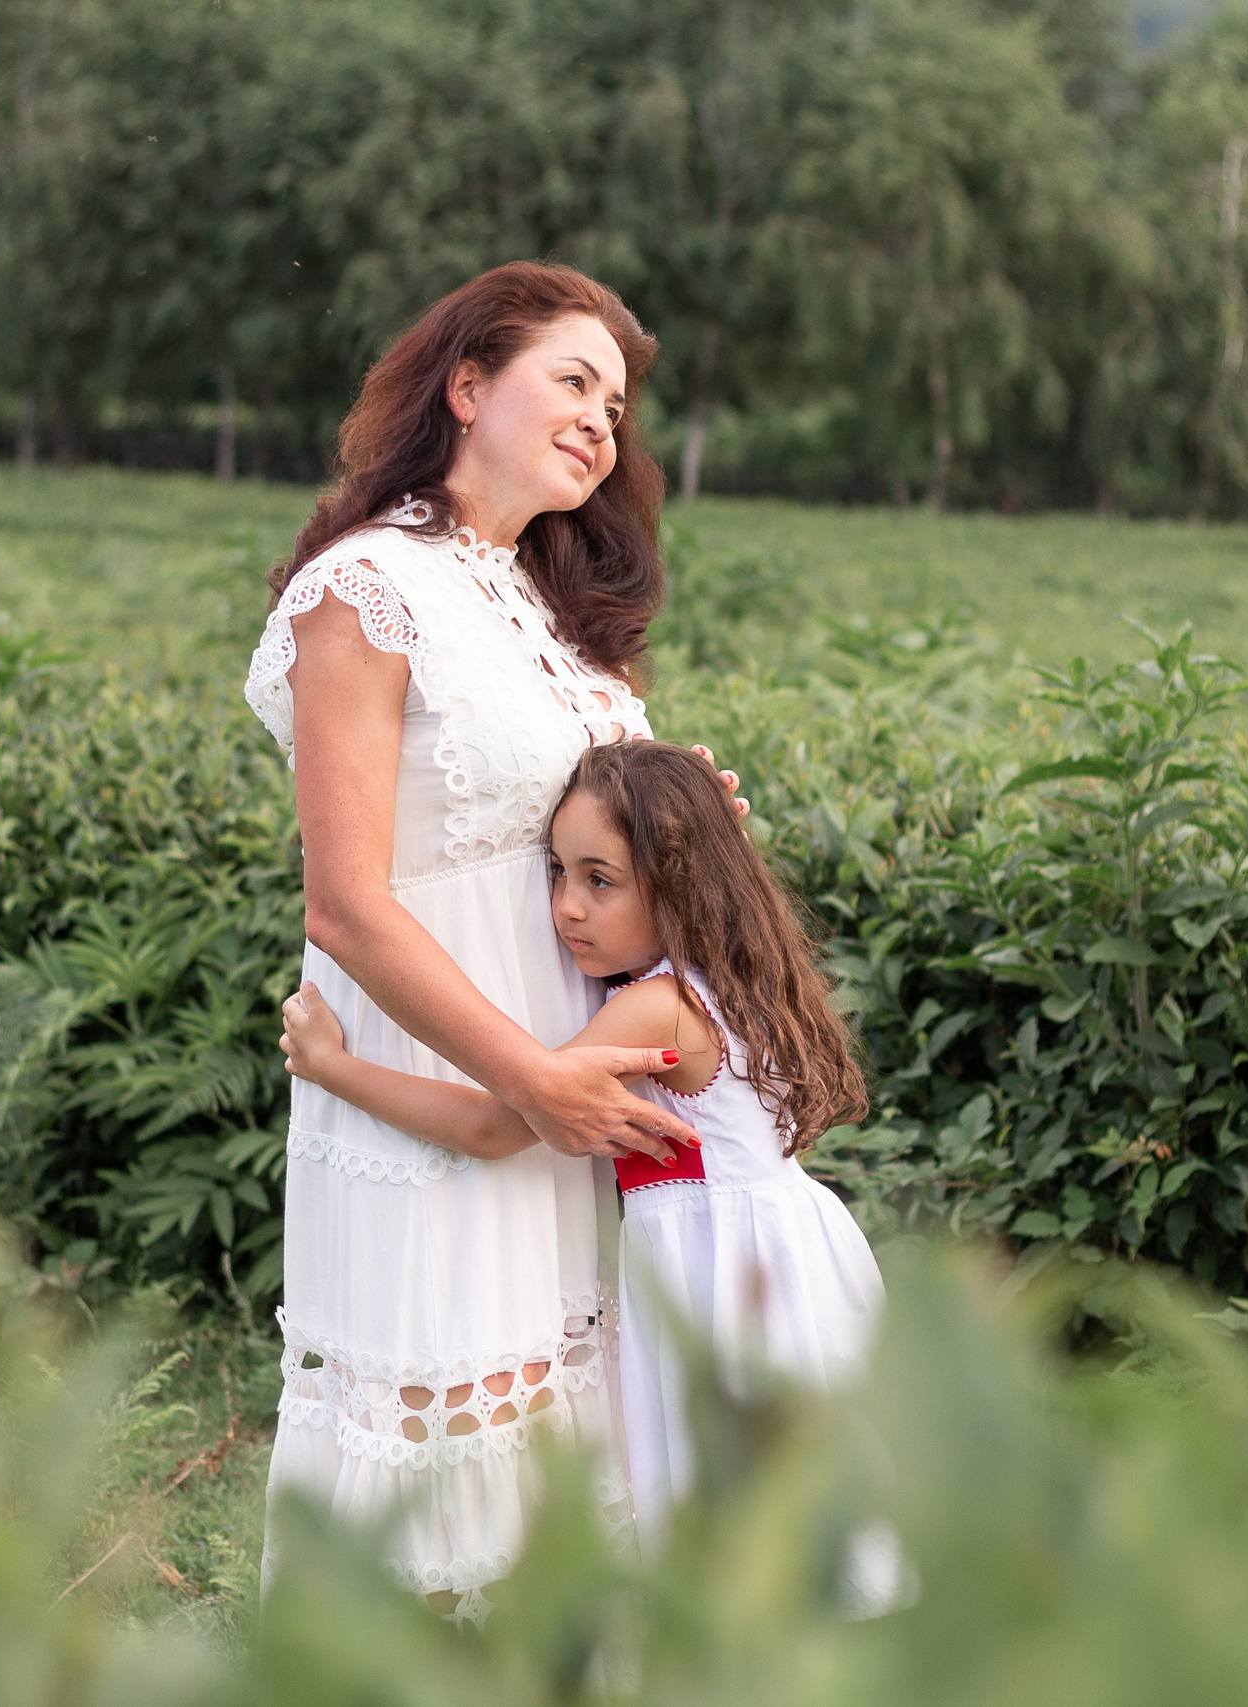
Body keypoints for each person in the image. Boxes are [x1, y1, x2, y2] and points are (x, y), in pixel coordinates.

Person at [242, 262, 743, 1620]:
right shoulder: (369, 588)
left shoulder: (549, 612)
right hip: (448, 1068)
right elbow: (346, 900)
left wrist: (676, 817)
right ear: (468, 386)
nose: (602, 420)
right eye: (572, 380)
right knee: (424, 1493)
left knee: (554, 1488)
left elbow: (569, 842)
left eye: (619, 403)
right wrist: (528, 1073)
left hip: (560, 1093)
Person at [280, 739, 885, 1563]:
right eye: (557, 873)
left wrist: (337, 1068)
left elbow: (497, 1127)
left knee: (740, 1520)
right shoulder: (734, 976)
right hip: (790, 1254)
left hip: (725, 1284)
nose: (566, 906)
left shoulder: (658, 1008)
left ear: (678, 882)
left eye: (600, 880)